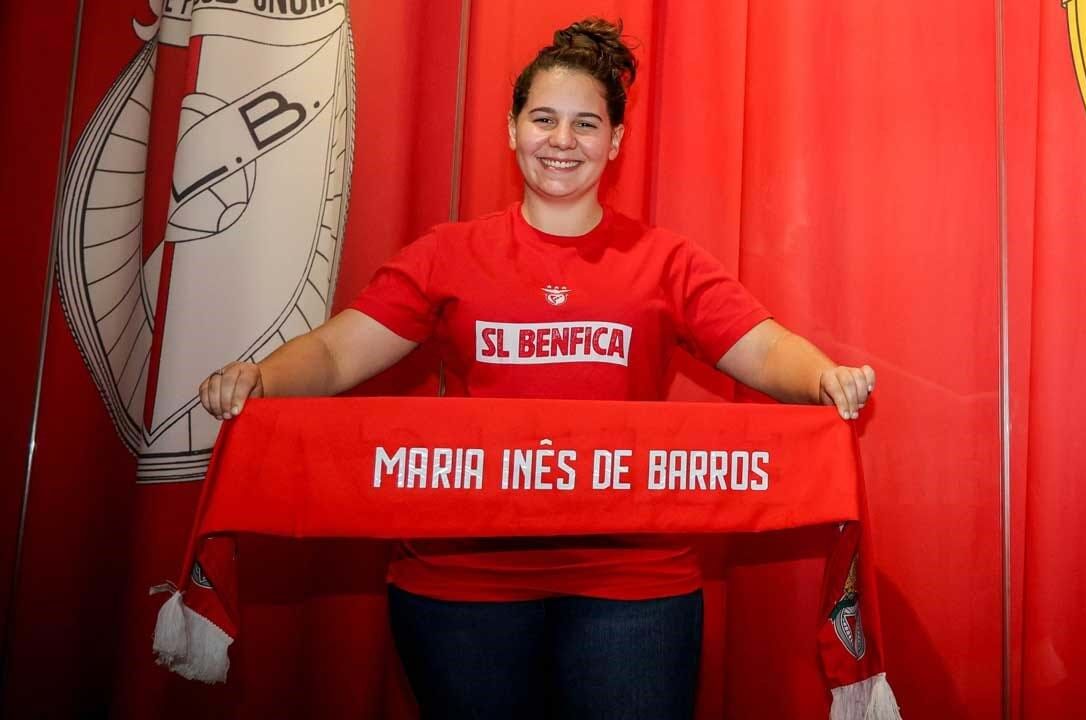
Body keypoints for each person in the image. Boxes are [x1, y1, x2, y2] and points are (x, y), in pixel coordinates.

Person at [198, 17, 874, 720]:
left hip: (632, 580)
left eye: (586, 124)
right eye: (543, 118)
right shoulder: (447, 253)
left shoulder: (666, 261)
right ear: (512, 129)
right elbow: (338, 352)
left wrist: (820, 377)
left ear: (615, 141)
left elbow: (761, 347)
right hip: (462, 580)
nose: (562, 140)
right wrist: (263, 379)